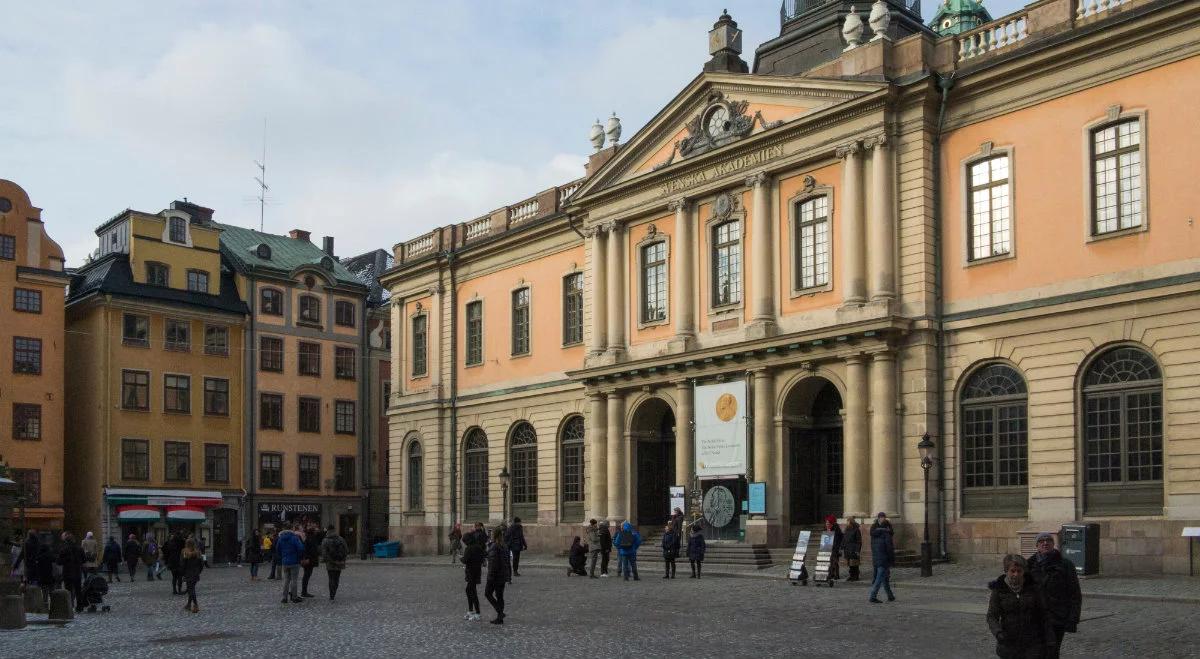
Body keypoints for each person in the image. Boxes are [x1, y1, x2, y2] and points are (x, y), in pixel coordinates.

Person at [988, 554, 1056, 658]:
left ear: (1024, 571)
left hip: (1033, 642)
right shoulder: (999, 590)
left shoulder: (1033, 588)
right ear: (1006, 571)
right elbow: (992, 616)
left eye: (1019, 571)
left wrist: (1050, 640)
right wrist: (998, 633)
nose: (1016, 574)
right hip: (1009, 642)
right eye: (1013, 571)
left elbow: (1044, 614)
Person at [1028, 533, 1082, 659]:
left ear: (1053, 544)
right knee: (1036, 651)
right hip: (1034, 617)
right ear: (1037, 545)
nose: (1045, 543)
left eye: (1048, 540)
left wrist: (1072, 618)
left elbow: (1075, 593)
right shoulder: (1028, 565)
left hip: (1056, 617)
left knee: (1052, 651)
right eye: (1041, 541)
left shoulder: (1065, 565)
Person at [484, 527, 511, 625]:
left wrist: (490, 576)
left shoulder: (494, 546)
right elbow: (507, 562)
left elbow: (493, 563)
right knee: (500, 596)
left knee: (487, 593)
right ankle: (500, 618)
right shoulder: (504, 545)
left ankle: (500, 613)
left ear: (494, 535)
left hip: (495, 576)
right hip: (502, 575)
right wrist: (508, 576)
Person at [868, 512, 896, 603]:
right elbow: (889, 548)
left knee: (885, 578)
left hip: (877, 557)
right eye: (881, 517)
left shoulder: (874, 532)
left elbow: (873, 546)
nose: (882, 518)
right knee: (879, 578)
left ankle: (890, 596)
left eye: (883, 517)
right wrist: (892, 559)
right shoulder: (886, 533)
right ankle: (873, 596)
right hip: (883, 558)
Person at [277, 524, 305, 604]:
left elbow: (277, 549)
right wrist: (299, 557)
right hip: (294, 561)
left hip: (285, 561)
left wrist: (283, 556)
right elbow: (301, 548)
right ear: (291, 528)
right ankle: (294, 597)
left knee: (286, 580)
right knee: (294, 580)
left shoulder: (280, 538)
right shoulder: (294, 538)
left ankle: (284, 597)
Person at [57, 531, 85, 612]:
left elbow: (59, 561)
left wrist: (66, 560)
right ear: (74, 540)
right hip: (77, 572)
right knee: (78, 590)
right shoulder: (80, 548)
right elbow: (84, 560)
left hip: (67, 572)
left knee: (68, 590)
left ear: (65, 541)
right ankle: (80, 607)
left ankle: (70, 606)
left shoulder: (63, 549)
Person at [321, 525, 349, 601]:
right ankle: (334, 592)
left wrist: (329, 560)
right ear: (334, 530)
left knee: (331, 578)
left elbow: (324, 553)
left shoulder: (325, 540)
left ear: (328, 530)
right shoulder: (341, 539)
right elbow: (346, 550)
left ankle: (331, 595)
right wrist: (342, 560)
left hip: (330, 563)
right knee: (336, 578)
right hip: (340, 562)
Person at [461, 531, 485, 621]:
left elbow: (465, 560)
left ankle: (477, 613)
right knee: (469, 590)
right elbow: (482, 557)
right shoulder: (478, 547)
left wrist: (461, 558)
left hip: (471, 571)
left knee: (472, 591)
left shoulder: (469, 548)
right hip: (476, 571)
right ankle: (471, 611)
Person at [180, 538, 203, 613]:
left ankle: (196, 605)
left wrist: (183, 574)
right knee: (191, 588)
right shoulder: (198, 552)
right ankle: (189, 604)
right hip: (195, 573)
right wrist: (199, 571)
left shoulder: (185, 552)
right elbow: (201, 564)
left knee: (191, 590)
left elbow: (183, 564)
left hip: (188, 573)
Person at [301, 524, 323, 597]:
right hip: (310, 560)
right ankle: (304, 592)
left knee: (306, 576)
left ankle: (304, 591)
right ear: (313, 532)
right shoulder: (312, 539)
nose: (317, 531)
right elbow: (312, 550)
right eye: (315, 530)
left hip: (308, 559)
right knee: (306, 576)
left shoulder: (308, 538)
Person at [842, 516, 862, 582]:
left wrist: (857, 550)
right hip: (847, 549)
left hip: (853, 549)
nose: (847, 522)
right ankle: (851, 576)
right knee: (850, 564)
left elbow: (859, 541)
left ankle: (855, 576)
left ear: (851, 522)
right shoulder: (846, 529)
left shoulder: (856, 530)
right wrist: (842, 545)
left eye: (848, 521)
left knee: (854, 564)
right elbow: (844, 538)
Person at [824, 515, 844, 580]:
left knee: (835, 562)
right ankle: (831, 573)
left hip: (835, 548)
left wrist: (839, 547)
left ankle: (836, 575)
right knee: (829, 561)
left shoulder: (836, 529)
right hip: (828, 547)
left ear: (832, 523)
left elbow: (840, 539)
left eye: (828, 523)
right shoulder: (826, 529)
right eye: (826, 523)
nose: (827, 524)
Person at [164, 531, 184, 595]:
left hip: (172, 562)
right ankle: (179, 590)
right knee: (180, 576)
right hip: (179, 561)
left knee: (174, 577)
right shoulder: (180, 543)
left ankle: (174, 590)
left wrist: (167, 562)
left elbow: (166, 553)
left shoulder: (169, 543)